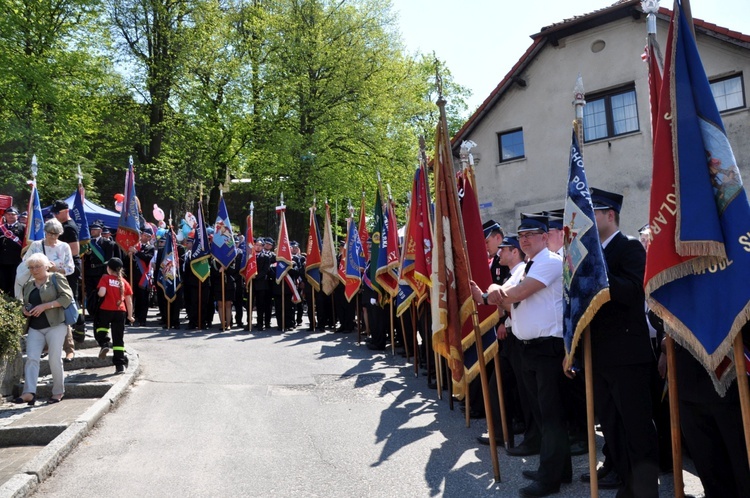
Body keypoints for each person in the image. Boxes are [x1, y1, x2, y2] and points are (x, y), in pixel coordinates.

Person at [471, 214, 570, 497]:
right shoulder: (526, 264)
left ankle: (550, 480)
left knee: (550, 416)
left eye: (531, 234)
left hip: (548, 348)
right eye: (522, 235)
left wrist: (496, 294)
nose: (525, 239)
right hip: (528, 348)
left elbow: (516, 294)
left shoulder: (550, 261)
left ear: (544, 236)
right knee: (541, 414)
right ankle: (557, 470)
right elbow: (497, 288)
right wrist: (496, 293)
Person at [575, 187, 658, 497]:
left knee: (636, 428)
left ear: (610, 215)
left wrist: (599, 267)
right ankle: (627, 483)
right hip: (597, 354)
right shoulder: (590, 254)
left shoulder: (630, 248)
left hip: (627, 354)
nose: (588, 220)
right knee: (612, 428)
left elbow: (633, 292)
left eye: (593, 214)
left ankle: (646, 490)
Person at [15, 252, 74, 405]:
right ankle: (29, 392)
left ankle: (58, 392)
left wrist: (45, 306)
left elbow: (66, 298)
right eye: (31, 267)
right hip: (35, 327)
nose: (34, 270)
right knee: (31, 359)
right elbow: (25, 303)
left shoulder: (56, 278)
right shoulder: (28, 285)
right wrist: (25, 310)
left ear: (46, 266)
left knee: (54, 359)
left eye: (38, 266)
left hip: (56, 325)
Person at [16, 219, 77, 362]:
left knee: (62, 316)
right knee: (41, 314)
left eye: (56, 234)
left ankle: (69, 349)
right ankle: (46, 347)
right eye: (51, 234)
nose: (53, 237)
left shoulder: (64, 247)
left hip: (57, 283)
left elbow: (71, 268)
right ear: (45, 232)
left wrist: (56, 269)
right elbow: (27, 263)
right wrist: (39, 267)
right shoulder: (37, 245)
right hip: (38, 283)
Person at [50, 200, 86, 338]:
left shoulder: (69, 227)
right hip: (63, 266)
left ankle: (79, 327)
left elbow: (74, 250)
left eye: (57, 213)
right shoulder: (61, 225)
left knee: (71, 297)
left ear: (65, 211)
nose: (55, 215)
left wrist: (58, 260)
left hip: (69, 266)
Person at [96, 257, 133, 373]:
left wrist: (97, 293)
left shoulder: (105, 278)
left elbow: (101, 294)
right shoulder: (124, 282)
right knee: (118, 339)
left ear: (108, 268)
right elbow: (129, 301)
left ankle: (105, 344)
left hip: (106, 310)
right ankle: (119, 366)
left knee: (101, 329)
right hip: (120, 311)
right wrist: (130, 316)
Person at [127, 228, 155, 326]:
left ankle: (141, 319)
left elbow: (148, 258)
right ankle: (129, 318)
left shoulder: (151, 248)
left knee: (143, 299)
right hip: (132, 276)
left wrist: (136, 252)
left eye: (148, 236)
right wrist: (130, 253)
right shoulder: (134, 245)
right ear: (141, 235)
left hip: (144, 277)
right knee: (130, 298)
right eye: (144, 235)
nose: (146, 237)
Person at [0, 206, 25, 296]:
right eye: (8, 214)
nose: (10, 216)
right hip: (2, 260)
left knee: (14, 282)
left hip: (16, 260)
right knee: (2, 282)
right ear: (5, 216)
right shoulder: (1, 228)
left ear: (17, 216)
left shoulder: (23, 228)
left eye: (13, 214)